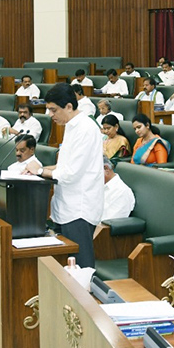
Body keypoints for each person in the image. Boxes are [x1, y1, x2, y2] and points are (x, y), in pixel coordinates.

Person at [24, 84, 104, 267]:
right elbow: (65, 165)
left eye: (54, 110)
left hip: (79, 208)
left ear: (69, 106)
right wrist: (40, 168)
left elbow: (70, 174)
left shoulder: (85, 128)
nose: (50, 115)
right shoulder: (70, 125)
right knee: (65, 266)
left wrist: (39, 170)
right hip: (65, 205)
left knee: (81, 268)